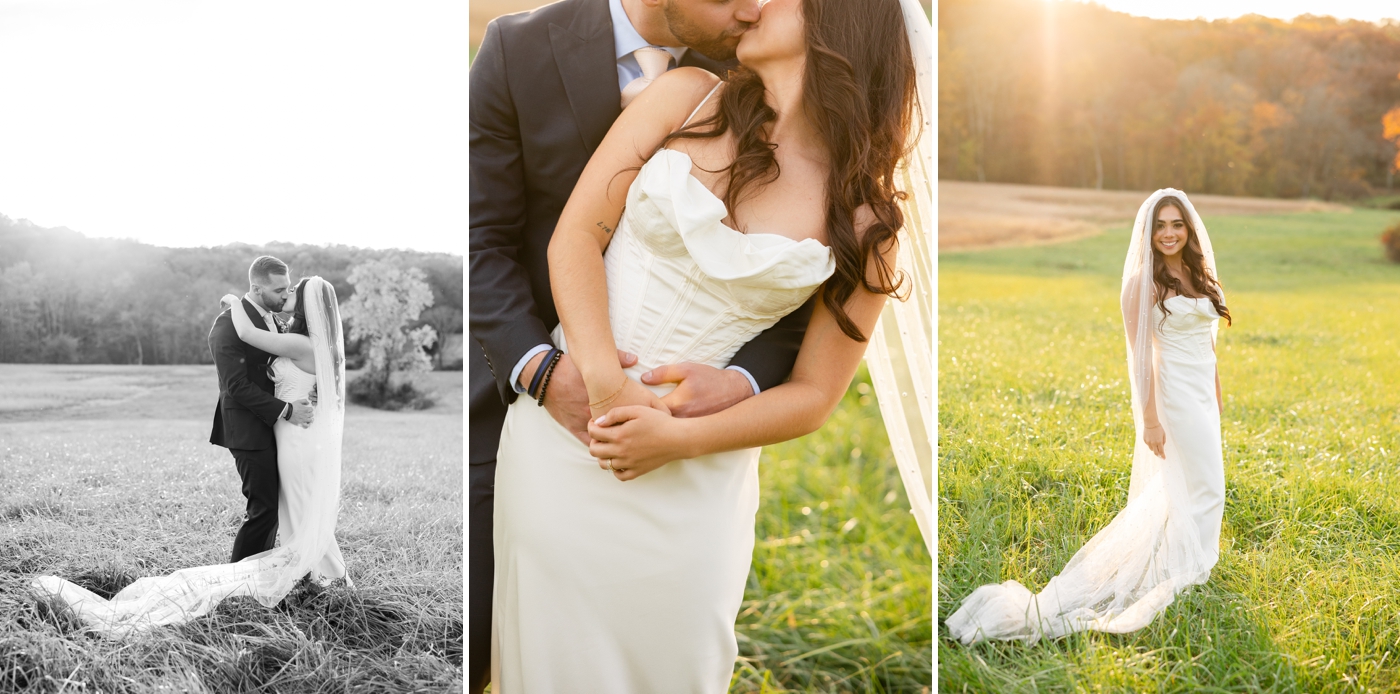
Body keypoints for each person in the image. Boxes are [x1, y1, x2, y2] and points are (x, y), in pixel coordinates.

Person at [488, 0, 921, 690]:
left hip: (699, 474)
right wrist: (602, 385)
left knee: (676, 662)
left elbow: (813, 396)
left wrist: (679, 441)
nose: (754, 2)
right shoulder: (685, 98)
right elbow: (575, 236)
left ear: (838, 22)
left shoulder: (866, 217)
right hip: (567, 440)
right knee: (552, 658)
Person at [945, 189, 1231, 644]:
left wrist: (1216, 393)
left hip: (1202, 394)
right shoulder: (1143, 283)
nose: (1169, 233)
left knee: (1201, 483)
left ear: (1189, 228)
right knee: (1205, 484)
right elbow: (1141, 360)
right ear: (1148, 232)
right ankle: (1189, 567)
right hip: (1173, 395)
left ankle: (1191, 559)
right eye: (1161, 226)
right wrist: (1150, 420)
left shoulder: (1199, 274)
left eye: (1177, 224)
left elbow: (1209, 342)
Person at [30, 273, 350, 634]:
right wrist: (234, 308)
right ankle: (277, 578)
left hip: (293, 439)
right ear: (258, 288)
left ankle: (295, 578)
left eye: (292, 290)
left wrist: (233, 300)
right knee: (277, 508)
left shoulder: (295, 338)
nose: (287, 293)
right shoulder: (254, 329)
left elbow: (254, 340)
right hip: (270, 433)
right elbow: (236, 383)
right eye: (281, 288)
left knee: (286, 509)